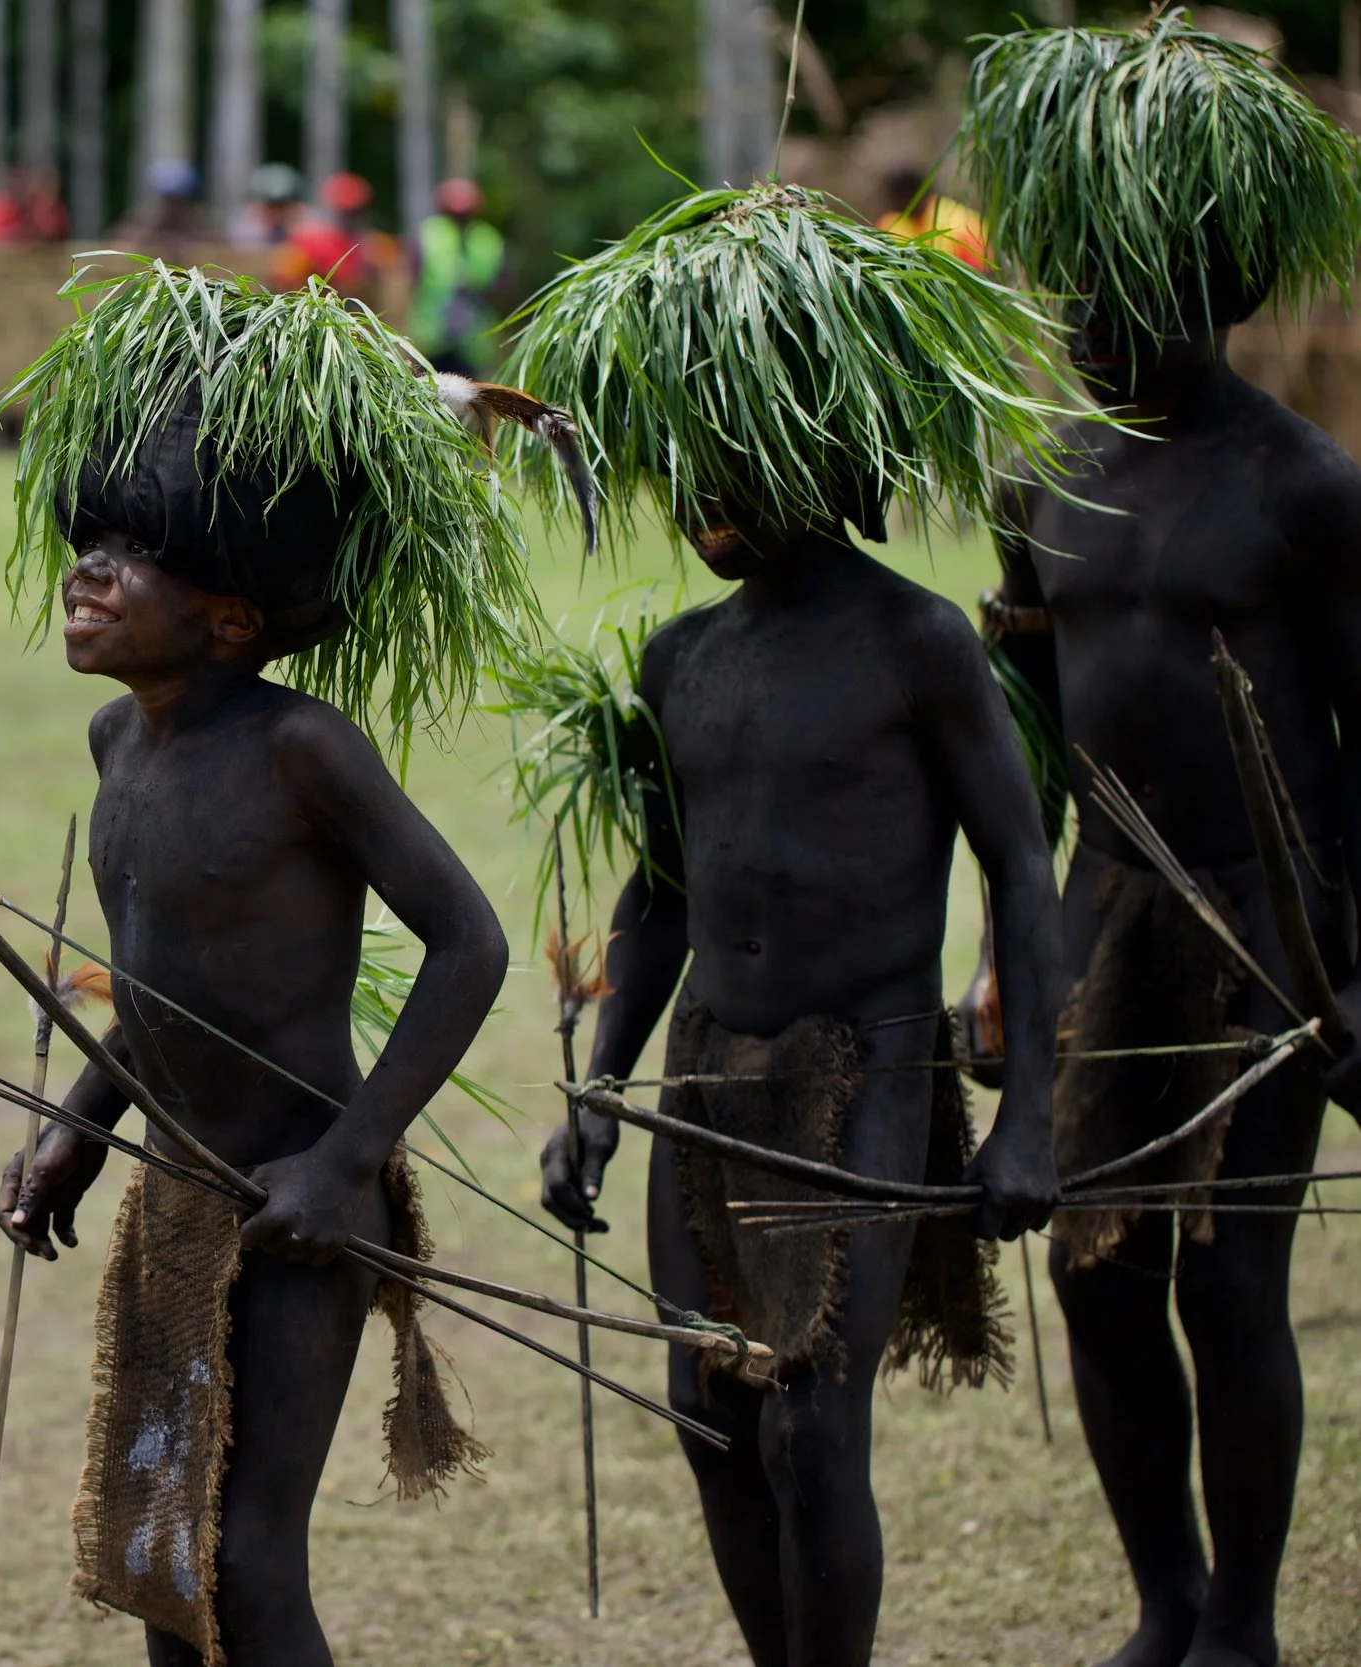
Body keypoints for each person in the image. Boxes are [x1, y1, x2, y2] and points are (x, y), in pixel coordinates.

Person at [516, 184, 1070, 1667]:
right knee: (713, 1415)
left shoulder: (918, 641)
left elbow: (1022, 865)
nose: (696, 496)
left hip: (866, 1071)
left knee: (816, 1431)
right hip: (708, 1070)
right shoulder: (681, 655)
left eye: (723, 461)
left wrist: (1028, 1122)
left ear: (818, 448)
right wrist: (603, 1083)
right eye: (676, 464)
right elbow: (664, 886)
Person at [0, 261, 561, 1665]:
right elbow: (158, 991)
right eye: (92, 543)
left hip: (305, 1203)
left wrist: (350, 1154)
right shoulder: (118, 745)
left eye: (137, 559)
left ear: (235, 613)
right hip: (180, 1196)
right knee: (160, 1549)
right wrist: (74, 1132)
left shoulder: (306, 749)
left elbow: (469, 943)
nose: (89, 572)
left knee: (246, 1560)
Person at [958, 16, 1361, 1666]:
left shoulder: (1302, 486)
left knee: (1225, 1278)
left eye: (1119, 293)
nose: (1084, 324)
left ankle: (1246, 1625)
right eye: (1069, 292)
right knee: (1096, 1277)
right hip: (1094, 917)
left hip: (1266, 919)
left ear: (1209, 287)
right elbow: (1030, 746)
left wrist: (1356, 967)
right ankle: (1164, 1601)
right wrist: (1005, 950)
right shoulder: (1042, 478)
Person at [409, 178, 505, 375]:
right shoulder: (428, 235)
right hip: (433, 337)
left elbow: (503, 287)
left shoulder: (488, 240)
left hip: (473, 340)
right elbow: (411, 281)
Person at [872, 163, 987, 271]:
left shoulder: (959, 222)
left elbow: (978, 269)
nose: (904, 202)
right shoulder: (888, 225)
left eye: (907, 197)